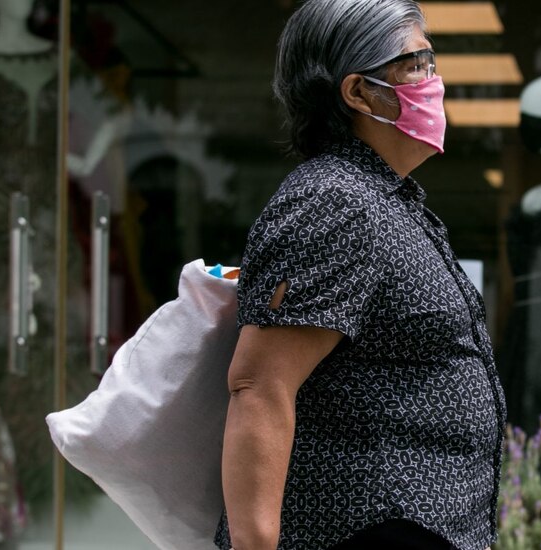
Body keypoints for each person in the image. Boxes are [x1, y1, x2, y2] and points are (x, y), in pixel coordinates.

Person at [214, 1, 505, 549]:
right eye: (415, 63)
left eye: (431, 60)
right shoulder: (333, 202)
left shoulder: (386, 199)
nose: (433, 80)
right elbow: (259, 386)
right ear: (358, 92)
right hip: (362, 530)